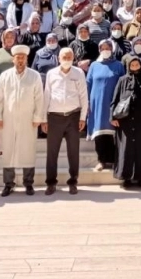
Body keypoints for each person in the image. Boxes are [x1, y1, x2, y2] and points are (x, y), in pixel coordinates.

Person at [0, 45, 44, 197]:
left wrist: (37, 117)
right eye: (18, 57)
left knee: (27, 151)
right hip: (8, 119)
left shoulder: (34, 76)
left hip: (28, 120)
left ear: (27, 59)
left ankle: (28, 183)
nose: (20, 60)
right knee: (8, 152)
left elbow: (39, 98)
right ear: (13, 59)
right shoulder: (5, 76)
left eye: (23, 57)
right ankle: (9, 184)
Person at [41, 47, 88, 196]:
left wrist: (82, 117)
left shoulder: (78, 73)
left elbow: (84, 96)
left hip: (73, 117)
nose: (67, 59)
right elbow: (46, 96)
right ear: (58, 58)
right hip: (54, 117)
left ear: (73, 58)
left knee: (73, 152)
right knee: (52, 153)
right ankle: (51, 183)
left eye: (69, 57)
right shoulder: (51, 74)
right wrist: (44, 119)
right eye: (64, 57)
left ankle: (73, 181)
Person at [111, 56, 141, 188]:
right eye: (132, 65)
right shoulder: (122, 80)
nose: (135, 68)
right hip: (125, 121)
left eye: (137, 65)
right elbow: (115, 99)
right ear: (128, 66)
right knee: (126, 149)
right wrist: (113, 117)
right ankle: (126, 178)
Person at [86, 40, 125, 170]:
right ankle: (101, 160)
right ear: (99, 49)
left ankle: (114, 160)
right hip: (97, 104)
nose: (106, 49)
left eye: (108, 47)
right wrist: (87, 103)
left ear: (112, 49)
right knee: (99, 133)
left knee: (112, 133)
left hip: (113, 103)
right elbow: (88, 84)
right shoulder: (94, 66)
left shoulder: (118, 65)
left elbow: (123, 84)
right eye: (103, 47)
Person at [0, 29, 17, 156]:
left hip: (17, 87)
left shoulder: (18, 52)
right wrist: (3, 81)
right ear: (3, 39)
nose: (9, 39)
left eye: (12, 37)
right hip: (0, 87)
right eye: (7, 37)